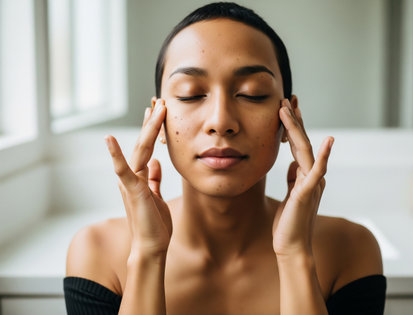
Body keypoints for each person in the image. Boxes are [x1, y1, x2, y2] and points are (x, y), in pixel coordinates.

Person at [64, 2, 386, 314]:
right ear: (156, 121)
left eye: (252, 93)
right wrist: (148, 255)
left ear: (290, 117)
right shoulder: (96, 252)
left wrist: (295, 255)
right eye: (190, 93)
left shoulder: (351, 249)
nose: (220, 121)